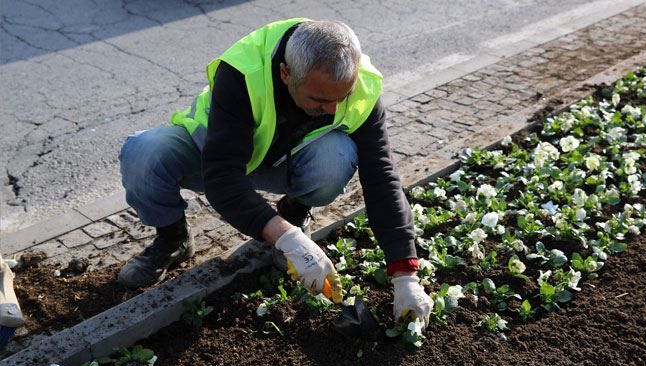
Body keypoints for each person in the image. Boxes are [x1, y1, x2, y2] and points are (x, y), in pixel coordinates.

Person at [117, 18, 433, 326]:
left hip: (284, 161)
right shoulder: (243, 70)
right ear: (286, 74)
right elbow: (223, 177)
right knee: (144, 153)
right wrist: (285, 238)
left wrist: (406, 273)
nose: (335, 109)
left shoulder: (361, 86)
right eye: (321, 100)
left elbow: (382, 177)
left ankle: (295, 213)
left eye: (342, 98)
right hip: (214, 153)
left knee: (336, 157)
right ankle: (174, 239)